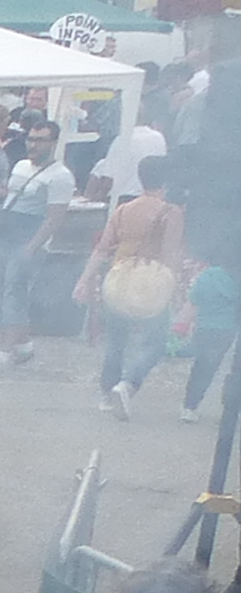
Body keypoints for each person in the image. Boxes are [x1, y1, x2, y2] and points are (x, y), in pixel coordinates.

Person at [81, 158, 188, 415]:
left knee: (116, 342)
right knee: (156, 341)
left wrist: (83, 279)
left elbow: (102, 249)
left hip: (119, 279)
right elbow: (171, 254)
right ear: (165, 181)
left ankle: (107, 395)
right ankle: (129, 382)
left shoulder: (124, 210)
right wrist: (177, 291)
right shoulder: (171, 213)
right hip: (153, 282)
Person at [0, 122, 76, 371]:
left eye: (40, 140)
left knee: (13, 295)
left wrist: (32, 246)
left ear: (53, 143)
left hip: (29, 238)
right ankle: (24, 345)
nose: (33, 144)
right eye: (31, 138)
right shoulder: (20, 166)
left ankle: (4, 352)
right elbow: (9, 199)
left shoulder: (61, 176)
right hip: (6, 233)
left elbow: (54, 217)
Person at [183, 247, 238, 417]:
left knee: (203, 367)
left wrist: (183, 323)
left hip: (204, 327)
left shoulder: (208, 275)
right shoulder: (236, 278)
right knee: (233, 369)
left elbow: (194, 300)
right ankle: (231, 406)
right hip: (227, 329)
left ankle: (189, 406)